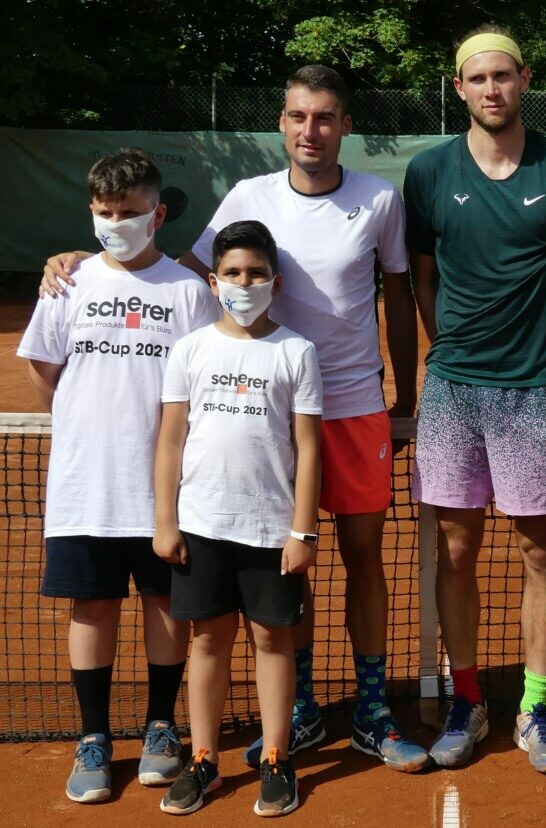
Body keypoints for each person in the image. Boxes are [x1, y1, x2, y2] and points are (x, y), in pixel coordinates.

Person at [41, 65, 426, 773]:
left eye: (325, 117)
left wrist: (403, 394)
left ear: (345, 126)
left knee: (364, 558)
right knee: (289, 564)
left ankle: (372, 710)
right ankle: (303, 706)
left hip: (353, 407)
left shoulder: (378, 199)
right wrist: (82, 262)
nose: (311, 130)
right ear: (282, 122)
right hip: (268, 413)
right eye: (298, 116)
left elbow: (397, 295)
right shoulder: (249, 194)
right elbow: (187, 271)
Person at [403, 24, 546, 772]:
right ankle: (467, 699)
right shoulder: (428, 172)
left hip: (536, 387)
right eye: (477, 79)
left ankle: (534, 706)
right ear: (459, 88)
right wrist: (446, 346)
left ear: (524, 79)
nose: (492, 89)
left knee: (539, 552)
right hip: (454, 389)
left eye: (503, 76)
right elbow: (423, 275)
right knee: (456, 549)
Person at [17, 149, 218, 803]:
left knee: (165, 604)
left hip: (166, 491)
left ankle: (162, 727)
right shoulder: (67, 283)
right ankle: (94, 737)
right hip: (85, 483)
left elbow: (199, 384)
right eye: (103, 213)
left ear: (156, 214)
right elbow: (45, 369)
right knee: (93, 606)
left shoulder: (186, 292)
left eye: (128, 213)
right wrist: (89, 419)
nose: (114, 223)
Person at [154, 220, 321, 816]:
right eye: (232, 273)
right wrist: (165, 521)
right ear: (214, 280)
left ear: (274, 282)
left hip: (271, 531)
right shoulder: (190, 349)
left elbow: (308, 447)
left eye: (255, 274)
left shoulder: (296, 350)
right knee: (207, 642)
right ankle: (203, 760)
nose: (243, 283)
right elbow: (171, 440)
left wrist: (302, 531)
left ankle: (277, 757)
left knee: (272, 640)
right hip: (201, 525)